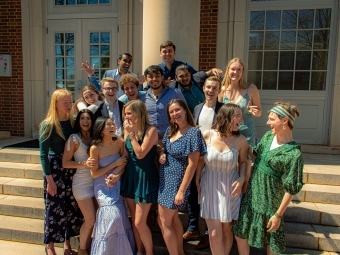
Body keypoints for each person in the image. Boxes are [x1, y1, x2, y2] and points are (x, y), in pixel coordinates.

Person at [233, 102, 304, 255]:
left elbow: (291, 189)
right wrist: (237, 139)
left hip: (271, 202)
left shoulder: (294, 154)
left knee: (272, 243)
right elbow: (256, 154)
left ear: (284, 120)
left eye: (272, 119)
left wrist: (278, 215)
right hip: (252, 196)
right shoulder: (267, 137)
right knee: (240, 234)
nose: (267, 123)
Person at [196, 103, 248, 255]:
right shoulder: (207, 135)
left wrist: (242, 178)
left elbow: (243, 162)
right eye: (238, 116)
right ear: (226, 117)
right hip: (209, 186)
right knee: (214, 234)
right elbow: (199, 160)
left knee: (226, 231)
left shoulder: (241, 140)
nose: (241, 120)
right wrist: (197, 180)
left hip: (230, 187)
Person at [158, 99, 206, 255]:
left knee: (164, 222)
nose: (175, 114)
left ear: (185, 110)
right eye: (171, 112)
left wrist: (181, 191)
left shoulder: (193, 132)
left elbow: (192, 165)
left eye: (177, 110)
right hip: (165, 180)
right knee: (173, 220)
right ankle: (179, 252)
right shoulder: (170, 131)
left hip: (177, 182)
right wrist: (162, 154)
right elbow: (165, 149)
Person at [39, 89, 83, 255]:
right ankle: (49, 245)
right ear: (55, 104)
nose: (68, 105)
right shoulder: (48, 124)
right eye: (64, 102)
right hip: (54, 169)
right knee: (53, 207)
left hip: (70, 168)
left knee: (70, 207)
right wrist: (49, 179)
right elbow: (43, 155)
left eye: (69, 101)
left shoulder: (73, 122)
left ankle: (67, 244)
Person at [89, 117, 135, 255]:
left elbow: (125, 161)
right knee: (112, 216)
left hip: (117, 184)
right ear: (101, 129)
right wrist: (113, 165)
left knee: (120, 218)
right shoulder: (95, 148)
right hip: (102, 186)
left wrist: (116, 175)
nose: (112, 126)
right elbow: (94, 174)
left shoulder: (120, 142)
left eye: (113, 124)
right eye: (108, 124)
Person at [187, 76, 224, 249]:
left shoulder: (224, 110)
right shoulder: (197, 108)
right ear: (203, 88)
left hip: (215, 160)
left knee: (210, 195)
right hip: (198, 158)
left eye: (214, 88)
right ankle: (194, 228)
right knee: (193, 193)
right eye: (208, 87)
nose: (210, 91)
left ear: (219, 90)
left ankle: (209, 234)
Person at [120, 100, 159, 255]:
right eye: (125, 114)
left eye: (129, 113)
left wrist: (132, 135)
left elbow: (141, 153)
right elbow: (126, 155)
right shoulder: (127, 130)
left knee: (140, 222)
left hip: (145, 177)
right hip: (131, 176)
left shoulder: (151, 130)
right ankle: (139, 251)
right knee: (135, 223)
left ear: (139, 113)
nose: (126, 117)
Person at [218, 57, 262, 194]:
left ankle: (243, 205)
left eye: (239, 70)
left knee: (245, 172)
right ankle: (231, 199)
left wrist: (255, 112)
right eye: (233, 69)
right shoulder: (222, 90)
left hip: (247, 133)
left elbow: (259, 111)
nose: (235, 72)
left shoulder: (251, 88)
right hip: (229, 135)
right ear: (228, 70)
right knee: (230, 169)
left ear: (242, 72)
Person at [62, 109, 96, 255]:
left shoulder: (96, 137)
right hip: (82, 184)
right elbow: (65, 163)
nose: (85, 121)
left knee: (96, 220)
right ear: (78, 121)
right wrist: (84, 163)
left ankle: (87, 246)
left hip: (97, 182)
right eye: (82, 118)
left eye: (88, 118)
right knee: (90, 220)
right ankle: (82, 249)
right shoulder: (73, 139)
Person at [143, 65, 186, 140]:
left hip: (172, 138)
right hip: (150, 141)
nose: (154, 79)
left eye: (157, 76)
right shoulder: (142, 97)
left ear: (162, 77)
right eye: (150, 77)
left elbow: (186, 113)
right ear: (146, 79)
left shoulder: (175, 93)